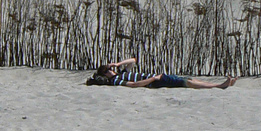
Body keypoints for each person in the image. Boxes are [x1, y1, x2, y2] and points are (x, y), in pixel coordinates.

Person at [87, 56, 236, 89]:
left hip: (157, 77)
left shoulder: (121, 73)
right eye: (110, 69)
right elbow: (133, 85)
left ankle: (221, 84)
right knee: (187, 83)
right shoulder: (116, 81)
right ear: (106, 73)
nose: (112, 69)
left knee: (191, 79)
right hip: (156, 80)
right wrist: (152, 79)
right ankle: (220, 86)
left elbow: (133, 60)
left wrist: (118, 63)